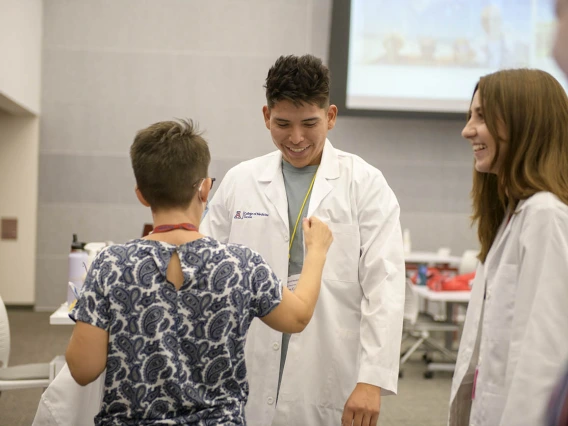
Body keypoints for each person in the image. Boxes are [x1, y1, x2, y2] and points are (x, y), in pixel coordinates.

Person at [64, 119, 333, 425]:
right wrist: (317, 252)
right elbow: (297, 317)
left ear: (141, 194)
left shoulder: (110, 264)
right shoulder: (241, 265)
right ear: (205, 188)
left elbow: (83, 369)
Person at [200, 54, 405, 426]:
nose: (295, 138)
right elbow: (204, 270)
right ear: (266, 116)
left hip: (328, 365)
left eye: (309, 123)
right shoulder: (240, 181)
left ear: (330, 116)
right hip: (245, 360)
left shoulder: (365, 184)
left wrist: (372, 379)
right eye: (282, 124)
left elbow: (385, 286)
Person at [447, 68, 568, 426]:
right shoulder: (514, 216)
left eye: (480, 116)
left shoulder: (546, 216)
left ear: (524, 123)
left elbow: (544, 359)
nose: (467, 130)